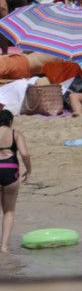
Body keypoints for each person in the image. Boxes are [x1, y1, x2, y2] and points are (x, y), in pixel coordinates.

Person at [0, 108, 27, 252]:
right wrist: (29, 169)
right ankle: (4, 247)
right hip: (10, 172)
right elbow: (24, 154)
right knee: (9, 211)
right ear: (10, 121)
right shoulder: (15, 134)